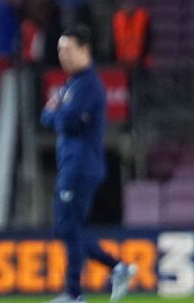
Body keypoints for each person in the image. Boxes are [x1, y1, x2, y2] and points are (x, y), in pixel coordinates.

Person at [41, 26, 136, 303]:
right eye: (60, 50)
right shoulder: (71, 84)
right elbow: (47, 117)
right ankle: (117, 268)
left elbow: (63, 120)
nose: (63, 56)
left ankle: (74, 294)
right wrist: (57, 114)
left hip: (81, 165)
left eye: (68, 49)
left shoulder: (89, 84)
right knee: (66, 228)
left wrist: (56, 112)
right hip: (71, 164)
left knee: (68, 227)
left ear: (85, 50)